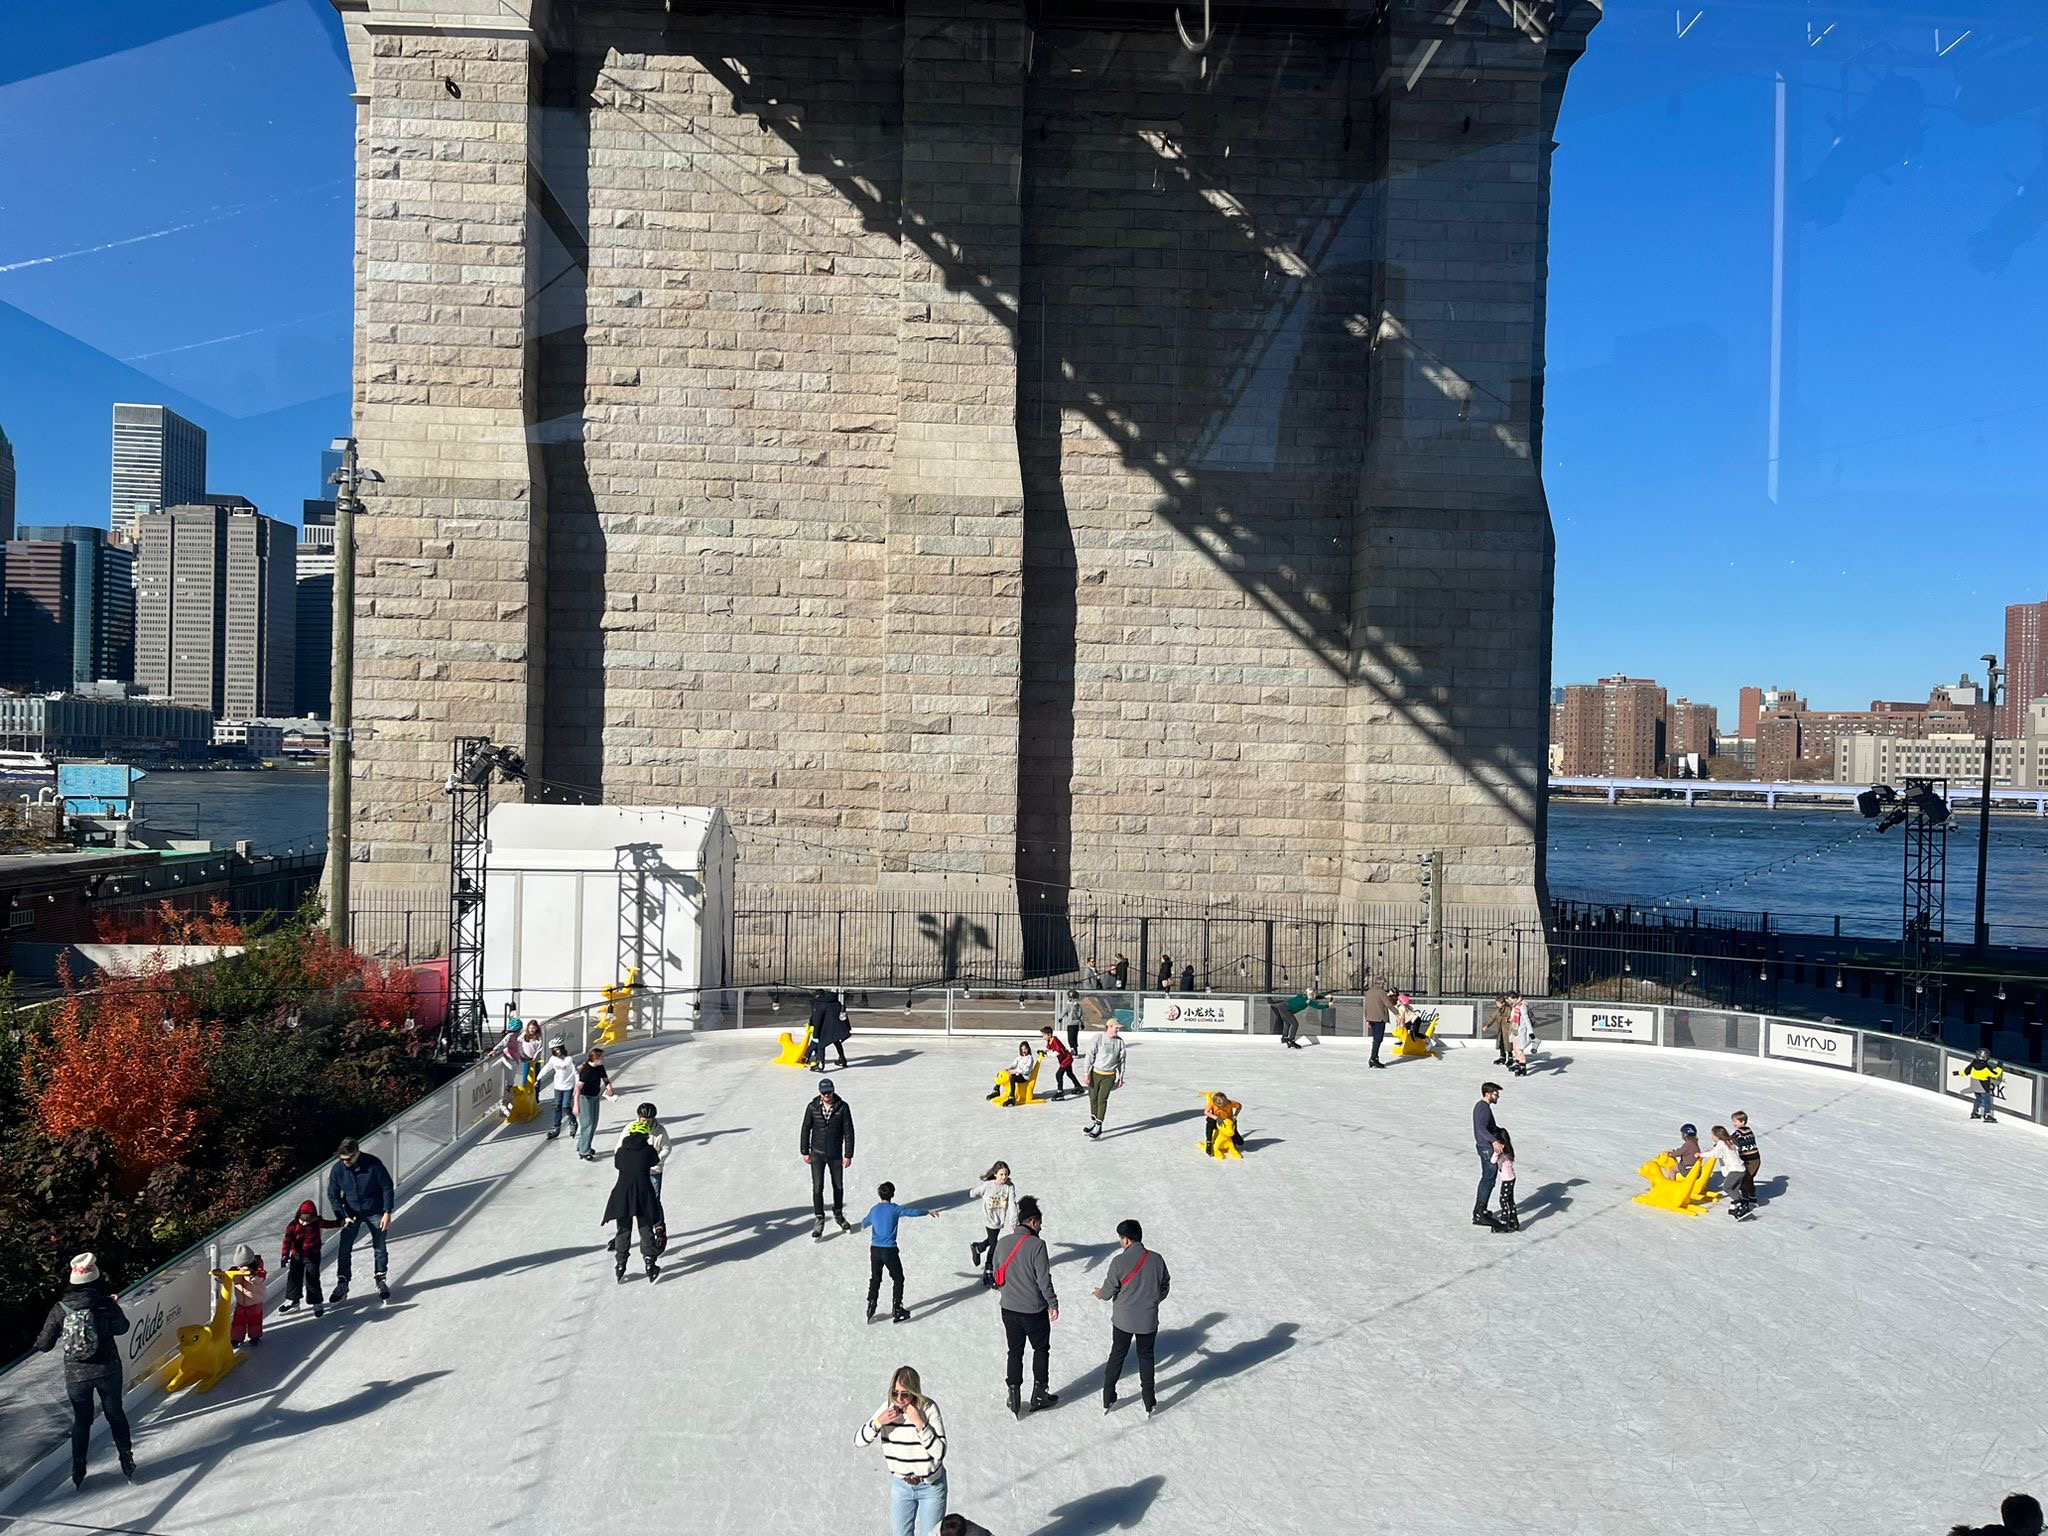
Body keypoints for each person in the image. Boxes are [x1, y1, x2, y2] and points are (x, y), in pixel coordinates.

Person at [33, 1253, 134, 1489]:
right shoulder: (105, 1303)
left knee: (81, 1420)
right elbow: (123, 1328)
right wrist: (113, 1307)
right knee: (115, 1413)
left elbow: (44, 1344)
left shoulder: (60, 1309)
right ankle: (126, 1458)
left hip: (76, 1375)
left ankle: (78, 1467)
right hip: (108, 1369)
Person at [856, 1364, 948, 1536]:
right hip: (902, 1486)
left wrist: (920, 1424)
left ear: (914, 1392)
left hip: (931, 1486)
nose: (899, 1398)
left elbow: (940, 1452)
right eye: (894, 1393)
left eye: (904, 1394)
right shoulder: (887, 1409)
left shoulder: (928, 1408)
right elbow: (859, 1441)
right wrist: (878, 1423)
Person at [1094, 1218, 1171, 1415]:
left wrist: (1098, 1293)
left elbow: (1107, 1292)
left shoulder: (1119, 1262)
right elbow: (1165, 1285)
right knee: (1146, 1357)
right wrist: (1154, 1300)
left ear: (1126, 1240)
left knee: (1117, 1355)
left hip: (1123, 1321)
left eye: (1121, 1238)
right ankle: (1149, 1400)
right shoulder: (1157, 1259)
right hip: (1148, 1320)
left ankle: (1108, 1396)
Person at [995, 1195, 1058, 1419]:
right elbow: (1043, 1279)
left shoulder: (1002, 1242)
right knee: (1040, 1349)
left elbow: (996, 1272)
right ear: (1032, 1221)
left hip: (1008, 1309)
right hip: (1033, 1310)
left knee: (1015, 1351)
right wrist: (1053, 1303)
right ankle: (1039, 1394)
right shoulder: (1037, 1245)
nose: (1041, 1228)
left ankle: (1013, 1394)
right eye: (1039, 1223)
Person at [328, 1135, 396, 1302]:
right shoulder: (338, 1169)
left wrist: (387, 1212)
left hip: (375, 1210)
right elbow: (333, 1194)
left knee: (379, 1245)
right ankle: (343, 1282)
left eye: (348, 1158)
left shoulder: (373, 1164)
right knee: (344, 1247)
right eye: (342, 1159)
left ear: (357, 1153)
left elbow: (387, 1186)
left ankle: (380, 1279)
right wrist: (342, 1216)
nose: (345, 1162)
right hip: (351, 1213)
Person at [860, 1181, 938, 1323]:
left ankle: (871, 1303)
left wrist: (866, 1223)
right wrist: (927, 1211)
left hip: (875, 1249)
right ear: (892, 1194)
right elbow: (911, 1212)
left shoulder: (874, 1209)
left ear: (879, 1194)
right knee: (898, 1278)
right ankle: (897, 1308)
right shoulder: (894, 1209)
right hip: (889, 1250)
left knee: (875, 1277)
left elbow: (864, 1223)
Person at [603, 1119, 665, 1283]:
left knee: (623, 1230)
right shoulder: (648, 1150)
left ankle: (620, 1264)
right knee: (645, 1229)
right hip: (643, 1194)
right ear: (645, 1136)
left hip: (622, 1194)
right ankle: (649, 1262)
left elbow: (618, 1165)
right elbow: (655, 1161)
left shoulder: (621, 1151)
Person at [800, 1078, 857, 1239]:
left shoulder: (843, 1107)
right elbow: (806, 1129)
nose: (827, 1095)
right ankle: (819, 1217)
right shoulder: (812, 1107)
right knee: (818, 1187)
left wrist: (848, 1155)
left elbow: (849, 1132)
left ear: (833, 1091)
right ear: (820, 1093)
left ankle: (838, 1213)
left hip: (835, 1154)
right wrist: (805, 1151)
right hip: (817, 1154)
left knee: (838, 1186)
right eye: (824, 1093)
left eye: (829, 1092)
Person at [280, 1199, 339, 1318]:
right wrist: (284, 1255)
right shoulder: (292, 1226)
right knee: (294, 1277)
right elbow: (287, 1241)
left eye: (308, 1221)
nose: (304, 1223)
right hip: (297, 1256)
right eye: (302, 1220)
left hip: (312, 1256)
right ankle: (293, 1301)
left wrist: (342, 1222)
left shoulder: (316, 1222)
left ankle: (316, 1302)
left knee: (312, 1278)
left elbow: (329, 1224)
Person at [969, 1161, 1021, 1286]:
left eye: (1006, 1174)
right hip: (989, 1219)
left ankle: (978, 1247)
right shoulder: (988, 1186)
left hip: (999, 1219)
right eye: (1001, 1174)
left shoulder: (1009, 1187)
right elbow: (973, 1193)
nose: (1004, 1177)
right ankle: (988, 1271)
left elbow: (1012, 1204)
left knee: (992, 1239)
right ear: (995, 1174)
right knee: (994, 1245)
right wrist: (975, 1193)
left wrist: (1013, 1220)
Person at [1083, 1020, 1127, 1140]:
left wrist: (1121, 1076)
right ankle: (1093, 1121)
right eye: (1116, 1028)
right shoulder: (1098, 1038)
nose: (1118, 1030)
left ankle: (1099, 1125)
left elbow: (1122, 1060)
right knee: (1093, 1098)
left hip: (1109, 1075)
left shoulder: (1119, 1042)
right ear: (1109, 1027)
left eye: (1118, 1028)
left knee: (1102, 1099)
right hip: (1095, 1073)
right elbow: (1090, 1055)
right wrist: (1086, 1073)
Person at [221, 1243, 267, 1346]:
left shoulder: (258, 1270)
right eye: (238, 1266)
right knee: (238, 1321)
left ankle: (255, 1336)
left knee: (254, 1320)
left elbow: (258, 1279)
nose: (240, 1268)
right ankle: (236, 1338)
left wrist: (249, 1274)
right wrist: (219, 1275)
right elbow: (226, 1277)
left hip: (255, 1301)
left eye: (242, 1266)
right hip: (241, 1302)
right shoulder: (236, 1270)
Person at [575, 1046, 616, 1160]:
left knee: (593, 1123)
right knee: (587, 1124)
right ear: (595, 1059)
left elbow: (605, 1079)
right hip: (585, 1098)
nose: (603, 1059)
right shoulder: (586, 1071)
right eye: (602, 1057)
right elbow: (578, 1088)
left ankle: (582, 1145)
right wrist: (576, 1105)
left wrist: (609, 1087)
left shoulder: (600, 1067)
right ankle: (584, 1151)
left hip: (595, 1096)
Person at [1472, 1082, 1503, 1227]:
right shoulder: (1483, 1108)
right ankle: (1480, 1212)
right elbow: (1481, 1128)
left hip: (1484, 1146)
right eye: (1496, 1094)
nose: (1498, 1096)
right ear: (1488, 1094)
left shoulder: (1481, 1106)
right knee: (1488, 1179)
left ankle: (1479, 1210)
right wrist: (1494, 1141)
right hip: (1486, 1147)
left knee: (1487, 1177)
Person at [535, 1039, 579, 1141]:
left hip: (568, 1086)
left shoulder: (569, 1059)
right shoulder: (553, 1059)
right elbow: (546, 1068)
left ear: (562, 1049)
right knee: (557, 1106)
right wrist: (537, 1079)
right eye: (554, 1050)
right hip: (558, 1086)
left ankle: (573, 1121)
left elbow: (575, 1073)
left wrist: (577, 1086)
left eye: (558, 1049)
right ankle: (556, 1127)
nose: (556, 1052)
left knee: (566, 1106)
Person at [1727, 1110, 1762, 1219]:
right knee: (1748, 1178)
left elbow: (1730, 1140)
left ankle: (1745, 1201)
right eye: (1733, 1121)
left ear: (1742, 1122)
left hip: (1752, 1160)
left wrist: (1719, 1145)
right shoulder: (1747, 1130)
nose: (1734, 1123)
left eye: (1735, 1121)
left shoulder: (1740, 1132)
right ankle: (1752, 1198)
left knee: (1745, 1179)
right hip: (1752, 1160)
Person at [809, 987, 851, 1072]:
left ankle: (820, 1064)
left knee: (821, 1044)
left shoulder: (819, 1003)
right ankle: (842, 1059)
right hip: (838, 1026)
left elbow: (817, 1019)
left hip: (827, 1027)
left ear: (817, 996)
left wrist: (815, 1033)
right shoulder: (834, 1000)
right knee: (836, 1040)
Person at [1960, 1047, 2005, 1123]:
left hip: (1975, 1086)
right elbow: (1995, 1074)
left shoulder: (1973, 1064)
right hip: (1983, 1087)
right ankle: (1987, 1115)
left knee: (1978, 1099)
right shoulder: (1986, 1067)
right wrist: (1999, 1066)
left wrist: (1957, 1073)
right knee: (1987, 1102)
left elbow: (1965, 1072)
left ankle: (1974, 1112)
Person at [988, 1040, 1037, 1104]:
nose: (1023, 1051)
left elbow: (1026, 1070)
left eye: (1025, 1049)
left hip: (1024, 1077)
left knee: (1012, 1078)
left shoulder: (1030, 1058)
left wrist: (1015, 1071)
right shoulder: (1019, 1057)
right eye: (1022, 1049)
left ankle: (1012, 1097)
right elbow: (1013, 1065)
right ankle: (996, 1090)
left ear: (1028, 1049)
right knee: (1001, 1074)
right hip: (1017, 1074)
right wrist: (1008, 1069)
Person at [1040, 1025, 1082, 1099]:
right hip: (1064, 1059)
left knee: (1058, 1075)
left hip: (1066, 1059)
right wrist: (1044, 1052)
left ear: (1049, 1035)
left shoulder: (1055, 1041)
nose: (1043, 1036)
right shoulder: (1050, 1040)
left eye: (1044, 1035)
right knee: (1069, 1073)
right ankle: (1078, 1086)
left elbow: (1057, 1052)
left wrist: (1047, 1055)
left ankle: (1060, 1092)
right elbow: (1050, 1049)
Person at [1491, 1129, 1519, 1233]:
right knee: (1510, 1199)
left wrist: (1496, 1152)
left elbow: (1493, 1161)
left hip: (1507, 1179)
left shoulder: (1502, 1152)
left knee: (1503, 1200)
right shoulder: (1508, 1149)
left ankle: (1504, 1221)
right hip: (1511, 1178)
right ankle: (1513, 1221)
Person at [1203, 1091, 1242, 1156]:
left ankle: (1234, 1136)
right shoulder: (1211, 1103)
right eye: (1219, 1106)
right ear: (1215, 1103)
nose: (1222, 1107)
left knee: (1239, 1141)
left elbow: (1239, 1106)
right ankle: (1209, 1142)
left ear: (1226, 1101)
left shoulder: (1230, 1102)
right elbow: (1206, 1112)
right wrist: (1216, 1118)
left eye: (1224, 1105)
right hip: (1216, 1120)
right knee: (1210, 1123)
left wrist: (1235, 1116)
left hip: (1228, 1121)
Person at [1364, 976, 1392, 1068]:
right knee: (1378, 1039)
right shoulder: (1381, 992)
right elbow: (1388, 1004)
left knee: (1376, 1039)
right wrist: (1397, 1013)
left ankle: (1374, 1058)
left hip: (1371, 1018)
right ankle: (1373, 1058)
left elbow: (1366, 1006)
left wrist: (1367, 1019)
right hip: (1379, 1018)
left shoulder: (1369, 992)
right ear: (1382, 983)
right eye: (1384, 983)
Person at [1509, 993, 1535, 1077]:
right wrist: (1510, 1019)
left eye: (1510, 1000)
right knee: (1515, 1048)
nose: (1510, 1001)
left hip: (1521, 1030)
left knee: (1519, 1049)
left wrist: (1531, 1032)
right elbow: (1513, 1016)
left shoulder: (1522, 1006)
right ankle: (1517, 1064)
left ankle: (1523, 1068)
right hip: (1515, 1029)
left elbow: (1526, 1020)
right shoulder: (1515, 1006)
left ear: (1515, 999)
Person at [1055, 989, 1085, 1056]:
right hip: (1074, 1024)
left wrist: (1060, 1018)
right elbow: (1081, 1015)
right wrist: (1082, 1023)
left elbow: (1064, 1012)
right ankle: (1074, 1050)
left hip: (1072, 1024)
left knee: (1071, 1038)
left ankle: (1074, 1050)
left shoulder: (1071, 1006)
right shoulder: (1076, 1006)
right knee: (1073, 1038)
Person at [1488, 993, 1512, 1065]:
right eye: (1496, 1003)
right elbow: (1492, 1017)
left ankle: (1510, 1057)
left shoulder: (1509, 1009)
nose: (1497, 1005)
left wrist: (1509, 1019)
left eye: (1498, 1004)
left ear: (1503, 1003)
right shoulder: (1498, 1010)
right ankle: (1502, 1057)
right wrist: (1487, 1025)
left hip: (1508, 1030)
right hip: (1501, 1030)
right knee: (1501, 1043)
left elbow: (1513, 1017)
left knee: (1508, 1044)